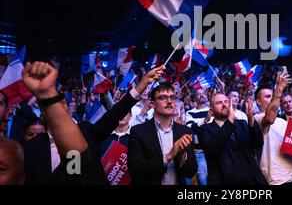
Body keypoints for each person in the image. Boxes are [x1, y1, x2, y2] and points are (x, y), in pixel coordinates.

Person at [23, 61, 165, 184]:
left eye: (61, 103)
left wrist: (143, 83)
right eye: (52, 104)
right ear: (43, 112)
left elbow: (115, 114)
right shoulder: (31, 148)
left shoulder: (85, 132)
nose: (57, 108)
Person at [128, 84, 197, 185]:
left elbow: (191, 172)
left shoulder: (185, 132)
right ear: (152, 104)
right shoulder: (138, 132)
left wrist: (182, 155)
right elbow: (136, 173)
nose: (169, 101)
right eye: (163, 97)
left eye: (172, 98)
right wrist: (169, 156)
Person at [198, 93, 267, 185]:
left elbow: (258, 143)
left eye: (226, 102)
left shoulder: (242, 124)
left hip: (252, 180)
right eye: (219, 103)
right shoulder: (205, 129)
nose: (224, 105)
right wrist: (230, 120)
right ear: (211, 110)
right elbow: (213, 149)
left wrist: (251, 119)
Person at [254, 72, 292, 185]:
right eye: (268, 97)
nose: (272, 99)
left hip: (291, 176)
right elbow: (269, 119)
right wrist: (279, 88)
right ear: (258, 101)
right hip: (274, 181)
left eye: (272, 96)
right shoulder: (257, 118)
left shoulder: (282, 121)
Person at [185, 88, 210, 185]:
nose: (202, 95)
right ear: (195, 98)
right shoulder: (190, 112)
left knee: (208, 180)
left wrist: (199, 124)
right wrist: (205, 121)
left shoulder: (211, 110)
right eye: (199, 94)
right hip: (198, 151)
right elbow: (189, 126)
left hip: (211, 150)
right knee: (201, 180)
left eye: (203, 93)